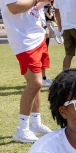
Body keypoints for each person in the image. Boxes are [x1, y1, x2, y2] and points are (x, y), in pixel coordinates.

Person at [1, 0, 53, 143]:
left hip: (36, 36)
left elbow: (32, 9)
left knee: (38, 83)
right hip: (24, 40)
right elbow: (14, 8)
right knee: (35, 83)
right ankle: (22, 129)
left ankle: (35, 123)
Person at [54, 0, 76, 70]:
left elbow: (56, 11)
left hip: (66, 27)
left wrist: (59, 25)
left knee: (68, 55)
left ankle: (64, 76)